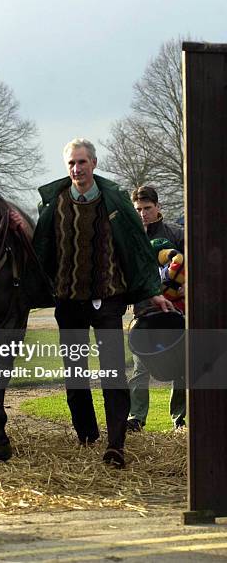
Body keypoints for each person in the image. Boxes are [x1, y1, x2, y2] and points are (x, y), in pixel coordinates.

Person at [33, 139, 173, 468]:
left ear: (94, 163)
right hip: (69, 303)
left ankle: (115, 444)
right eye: (71, 163)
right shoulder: (55, 203)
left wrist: (151, 289)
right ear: (66, 167)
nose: (77, 169)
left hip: (109, 299)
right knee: (75, 375)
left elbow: (136, 249)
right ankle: (86, 436)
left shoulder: (116, 201)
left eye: (82, 162)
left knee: (113, 375)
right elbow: (41, 253)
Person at [127, 185, 186, 432]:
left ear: (158, 207)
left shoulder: (175, 234)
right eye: (138, 209)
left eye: (147, 208)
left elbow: (193, 260)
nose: (143, 214)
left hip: (176, 312)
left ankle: (179, 419)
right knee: (141, 368)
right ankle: (136, 418)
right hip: (144, 313)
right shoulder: (128, 237)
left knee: (180, 366)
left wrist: (189, 285)